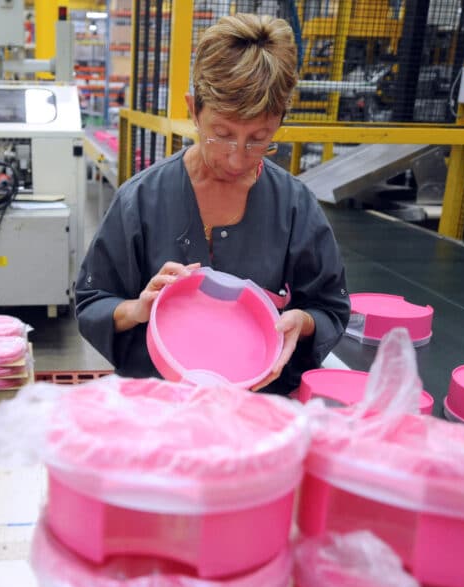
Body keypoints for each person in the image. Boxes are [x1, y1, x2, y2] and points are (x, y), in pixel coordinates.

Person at [75, 13, 350, 395]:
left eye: (259, 138)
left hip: (252, 411)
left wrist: (300, 321)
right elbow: (92, 302)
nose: (238, 159)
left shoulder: (294, 206)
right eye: (221, 135)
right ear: (193, 110)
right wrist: (137, 309)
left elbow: (329, 308)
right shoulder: (140, 200)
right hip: (157, 406)